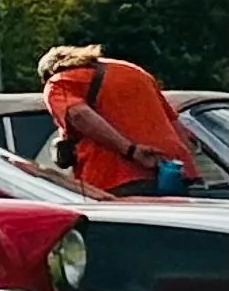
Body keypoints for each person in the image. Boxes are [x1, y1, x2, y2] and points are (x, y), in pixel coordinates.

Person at [39, 43, 197, 198]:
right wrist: (185, 167)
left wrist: (131, 151)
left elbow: (79, 115)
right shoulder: (133, 70)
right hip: (172, 173)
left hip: (117, 176)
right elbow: (175, 124)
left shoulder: (58, 82)